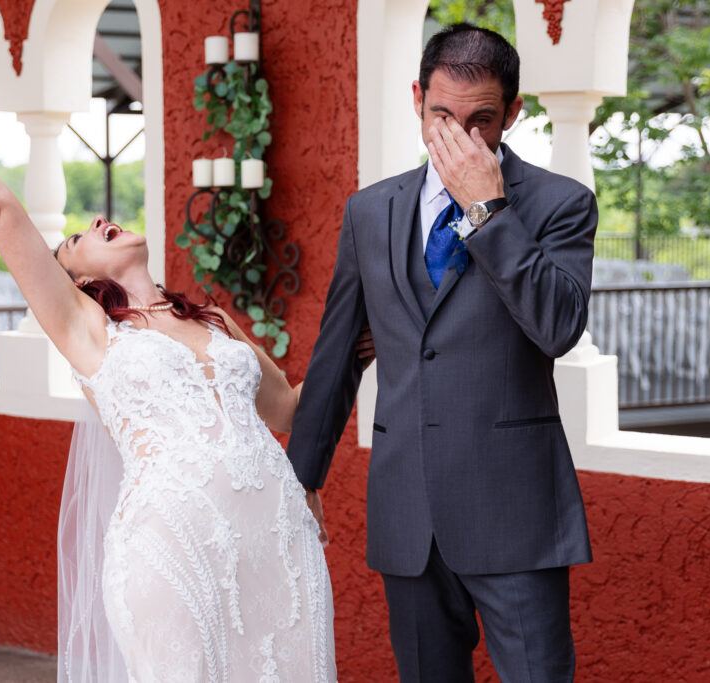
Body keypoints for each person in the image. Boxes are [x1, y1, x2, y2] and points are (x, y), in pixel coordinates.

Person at [0, 60, 354, 682]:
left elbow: (291, 410)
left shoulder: (216, 321)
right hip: (174, 550)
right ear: (79, 281)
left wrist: (362, 335)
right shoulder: (90, 332)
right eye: (79, 238)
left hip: (276, 543)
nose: (98, 222)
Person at [286, 24, 596, 682]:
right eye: (442, 116)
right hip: (409, 513)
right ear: (417, 99)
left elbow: (558, 327)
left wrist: (487, 209)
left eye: (482, 120)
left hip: (517, 514)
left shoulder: (559, 205)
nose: (459, 137)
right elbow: (338, 351)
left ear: (513, 112)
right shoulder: (368, 211)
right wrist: (299, 479)